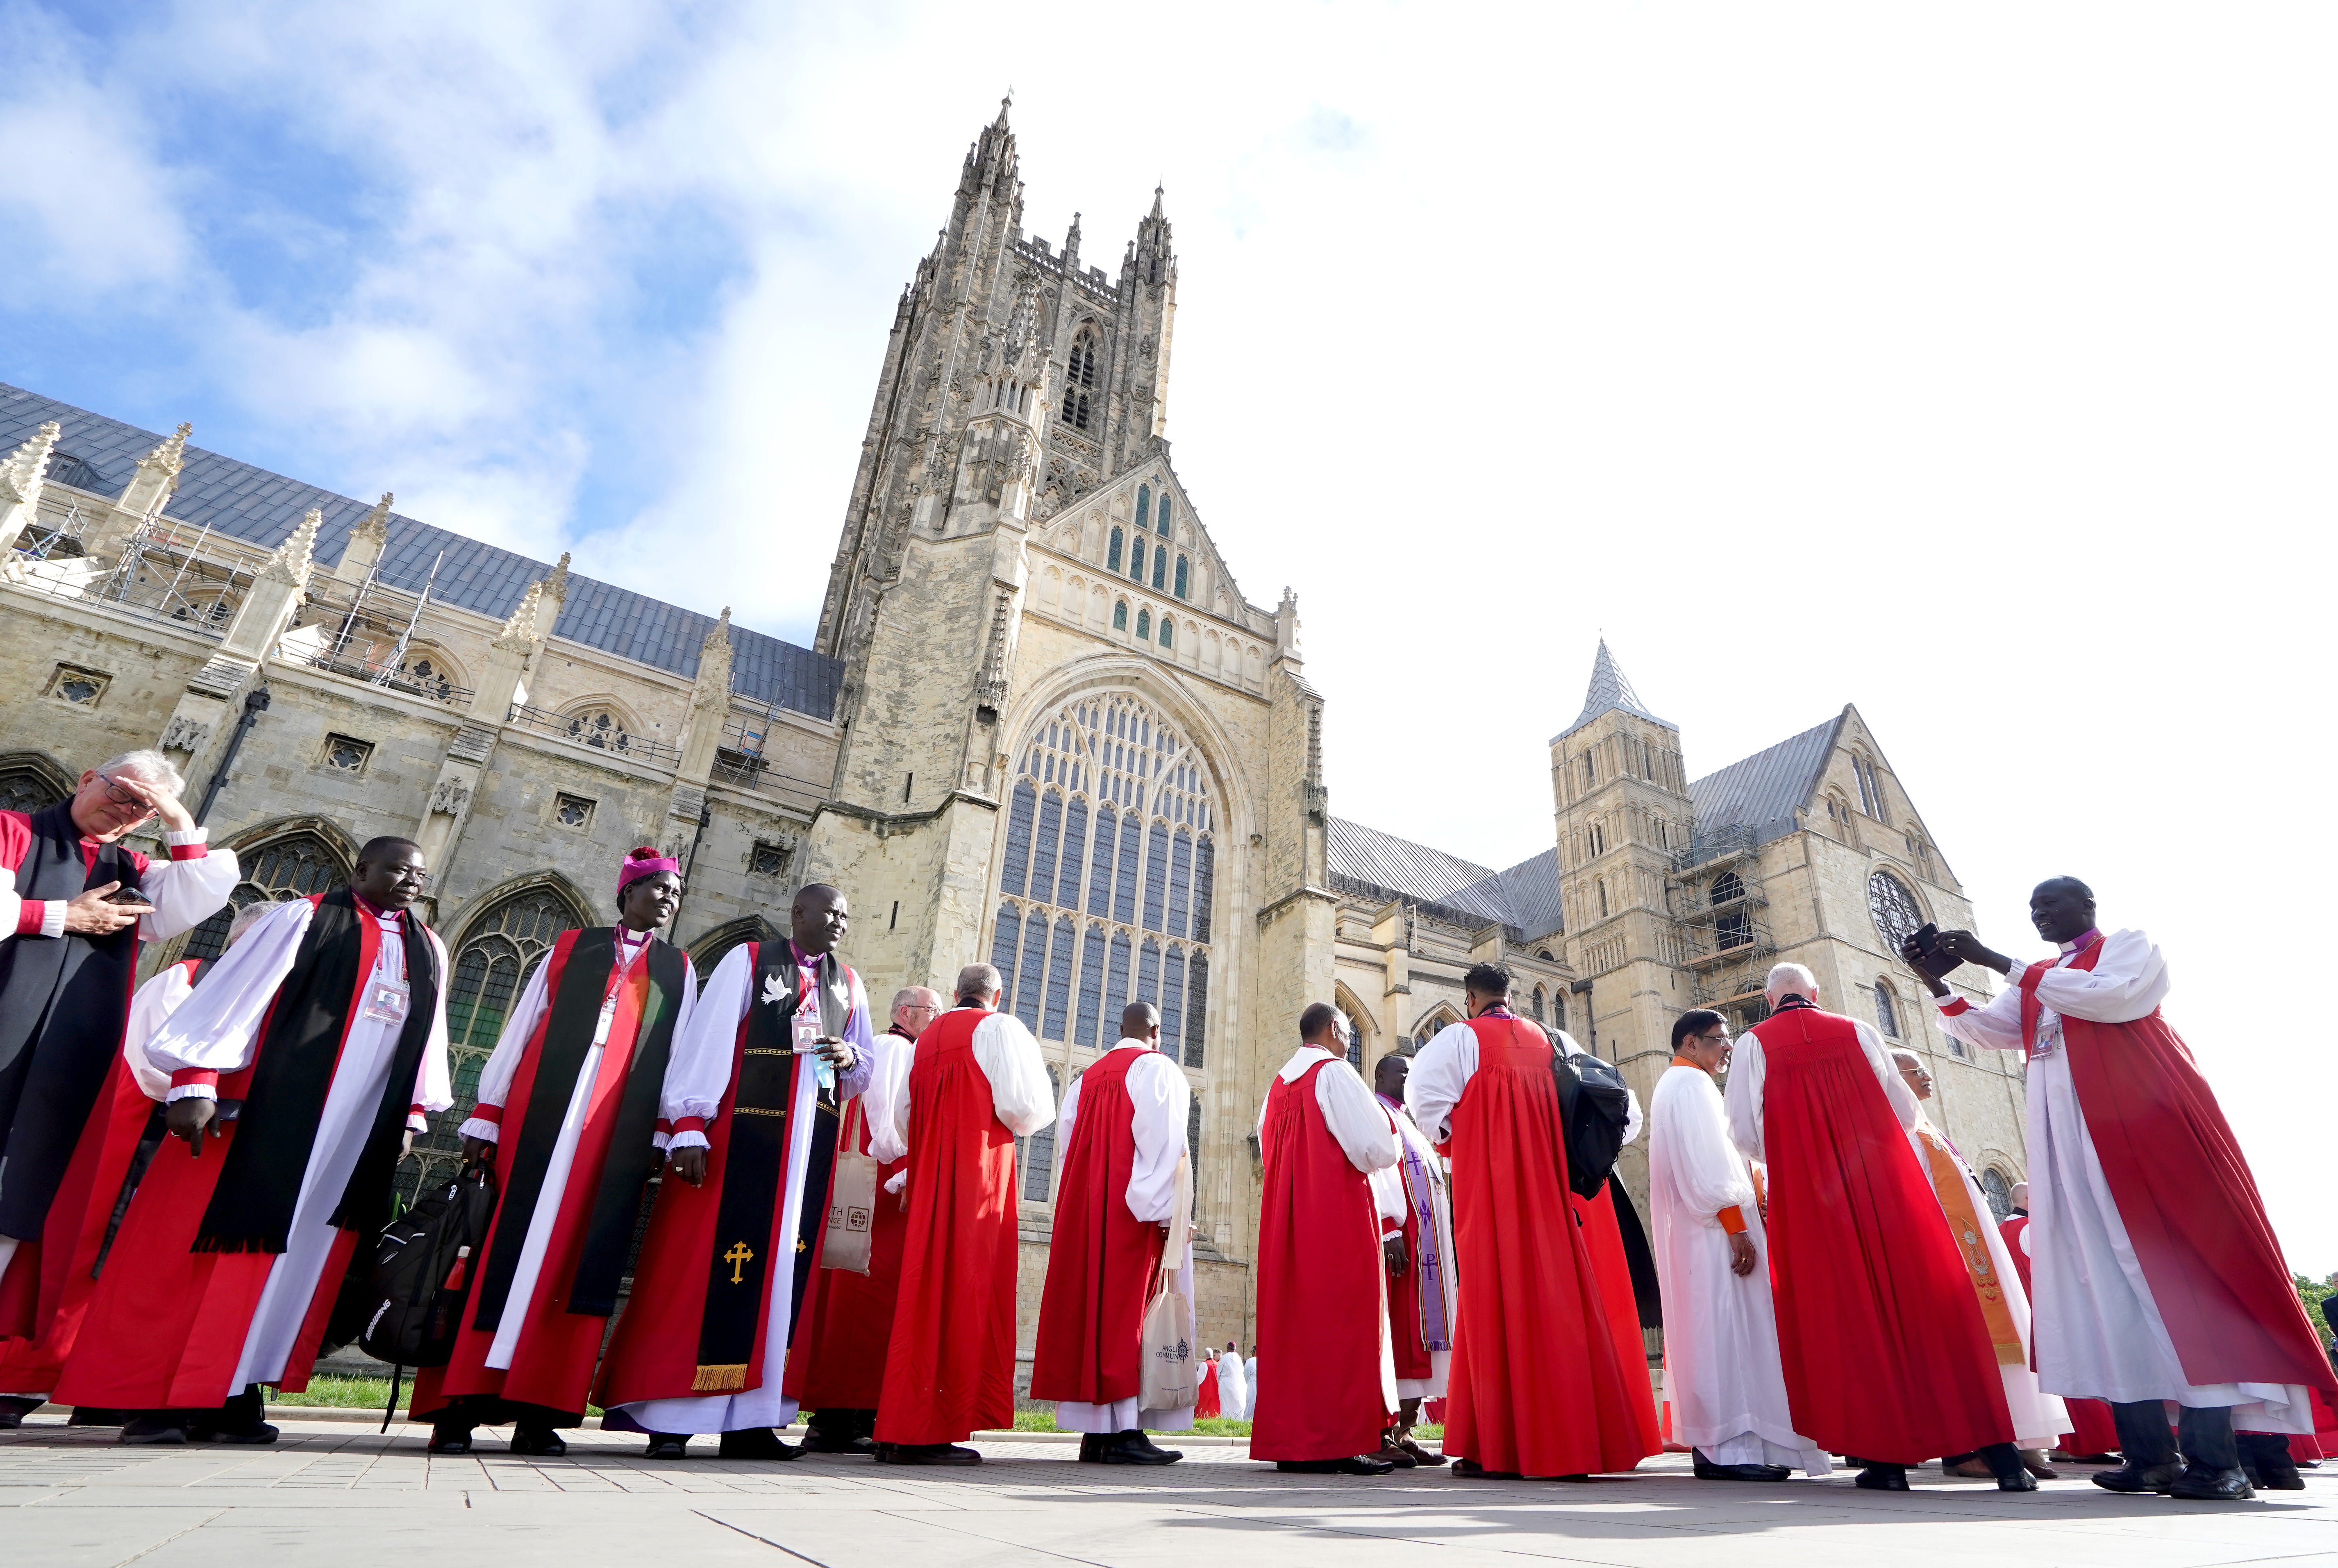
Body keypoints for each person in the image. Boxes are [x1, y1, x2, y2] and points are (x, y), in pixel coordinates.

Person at [1911, 880, 2337, 1501]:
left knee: (2176, 1288)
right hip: (2072, 1153)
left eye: (2050, 906)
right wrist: (1936, 982)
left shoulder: (2125, 948)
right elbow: (1984, 1032)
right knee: (2106, 1290)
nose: (2039, 916)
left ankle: (2218, 1462)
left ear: (2087, 907)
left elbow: (2109, 999)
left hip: (2137, 1137)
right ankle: (2149, 1458)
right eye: (2032, 910)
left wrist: (1997, 960)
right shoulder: (2041, 978)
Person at [55, 837, 451, 1445]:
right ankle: (155, 1398)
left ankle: (235, 1389)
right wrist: (194, 1079)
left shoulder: (428, 948)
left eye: (419, 874)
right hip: (263, 1114)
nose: (410, 881)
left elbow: (428, 1037)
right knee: (205, 1253)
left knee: (293, 1264)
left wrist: (413, 1112)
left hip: (350, 1133)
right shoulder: (305, 917)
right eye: (397, 868)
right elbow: (234, 992)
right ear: (361, 868)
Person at [409, 849, 698, 1456]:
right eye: (657, 889)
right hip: (533, 1121)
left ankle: (538, 1411)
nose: (667, 899)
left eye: (675, 892)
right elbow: (521, 1026)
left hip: (610, 1133)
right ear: (628, 894)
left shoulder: (679, 967)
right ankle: (457, 1405)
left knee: (574, 1258)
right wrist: (486, 1112)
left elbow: (677, 1053)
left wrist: (664, 1130)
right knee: (495, 1253)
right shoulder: (571, 948)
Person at [1723, 962, 2033, 1493]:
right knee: (1934, 1306)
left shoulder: (1754, 1043)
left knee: (1846, 1317)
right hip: (1886, 1185)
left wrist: (1794, 1145)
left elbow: (1745, 1134)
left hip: (1812, 1197)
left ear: (1770, 998)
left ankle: (1886, 1464)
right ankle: (2006, 1461)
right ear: (1815, 992)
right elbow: (1904, 1110)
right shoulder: (1859, 1030)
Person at [595, 883, 875, 1460]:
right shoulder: (747, 960)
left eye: (847, 914)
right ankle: (668, 1415)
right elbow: (708, 1038)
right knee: (697, 1268)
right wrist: (690, 1123)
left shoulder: (848, 983)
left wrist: (850, 1058)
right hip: (736, 1141)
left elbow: (861, 1064)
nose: (840, 922)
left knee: (778, 1284)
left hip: (805, 1153)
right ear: (798, 913)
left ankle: (751, 1419)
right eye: (831, 911)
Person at [0, 752, 238, 1425]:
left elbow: (206, 888)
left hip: (62, 1064)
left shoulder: (133, 872)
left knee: (13, 1209)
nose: (125, 810)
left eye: (141, 807)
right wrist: (59, 917)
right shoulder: (14, 833)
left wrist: (178, 817)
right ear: (84, 779)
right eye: (119, 792)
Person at [1409, 964, 1657, 1481]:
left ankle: (1493, 1447)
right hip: (1553, 1195)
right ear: (1512, 995)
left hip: (1492, 1191)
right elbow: (1624, 1111)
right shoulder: (1556, 1039)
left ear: (1471, 997)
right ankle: (1572, 1445)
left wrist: (1463, 1138)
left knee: (1491, 1302)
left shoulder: (1458, 1039)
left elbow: (1425, 1107)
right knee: (1561, 1303)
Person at [872, 963, 1053, 1464]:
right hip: (979, 1173)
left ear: (955, 994)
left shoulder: (924, 1040)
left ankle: (899, 1422)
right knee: (966, 1289)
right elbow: (1026, 1110)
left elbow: (905, 1116)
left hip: (931, 1174)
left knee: (923, 1290)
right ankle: (931, 1430)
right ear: (996, 995)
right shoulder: (999, 1028)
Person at [1646, 1010, 1828, 1481]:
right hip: (1713, 1235)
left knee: (1716, 1335)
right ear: (1689, 1042)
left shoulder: (1682, 1083)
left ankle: (1724, 1447)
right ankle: (1730, 1450)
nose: (1727, 1048)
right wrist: (1734, 1223)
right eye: (1718, 1040)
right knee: (1726, 1335)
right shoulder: (1688, 1086)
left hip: (1704, 1234)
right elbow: (1705, 1162)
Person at [1888, 1048, 2067, 1479]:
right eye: (1917, 1071)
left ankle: (2014, 1438)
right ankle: (1967, 1449)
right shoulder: (1898, 1132)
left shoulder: (1925, 1128)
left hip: (1978, 1252)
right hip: (1949, 1257)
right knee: (1965, 1347)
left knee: (1997, 1346)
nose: (1927, 1076)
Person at [1030, 1000, 1191, 1466]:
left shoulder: (1084, 1080)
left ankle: (1095, 1433)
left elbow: (1066, 1147)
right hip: (1132, 1215)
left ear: (1119, 1028)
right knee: (1127, 1317)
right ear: (1156, 1030)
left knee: (1092, 1314)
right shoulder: (1155, 1070)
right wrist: (1164, 1213)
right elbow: (1162, 1145)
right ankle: (1123, 1431)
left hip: (1085, 1211)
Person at [1251, 1003, 1401, 1475]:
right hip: (1335, 1215)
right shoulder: (1335, 1074)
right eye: (1348, 1031)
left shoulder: (1277, 1085)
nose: (1350, 1040)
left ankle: (1294, 1443)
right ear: (1334, 1030)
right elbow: (1379, 1147)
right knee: (1343, 1320)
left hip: (1286, 1220)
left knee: (1294, 1326)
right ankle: (1340, 1440)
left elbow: (1264, 1145)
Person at [786, 984, 937, 1456]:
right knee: (865, 1302)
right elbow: (889, 1119)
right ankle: (838, 1416)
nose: (938, 1019)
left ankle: (851, 1413)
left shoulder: (892, 1046)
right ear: (907, 1012)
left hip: (876, 1183)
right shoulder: (895, 1047)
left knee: (865, 1301)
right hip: (883, 1183)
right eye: (933, 1011)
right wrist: (910, 1165)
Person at [1370, 1051, 1454, 1466]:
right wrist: (1388, 1229)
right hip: (1400, 1247)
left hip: (1428, 1253)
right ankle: (1382, 1428)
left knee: (1420, 1339)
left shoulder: (1411, 1122)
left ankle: (1406, 1429)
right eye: (1402, 1072)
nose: (1408, 1079)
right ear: (1381, 1074)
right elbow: (1378, 1173)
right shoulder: (1376, 1113)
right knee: (1399, 1335)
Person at [1998, 1180, 2121, 1462]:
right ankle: (2086, 1444)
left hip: (2019, 1315)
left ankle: (2063, 1445)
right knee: (2076, 1371)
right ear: (2029, 1198)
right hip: (2049, 1313)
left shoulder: (2000, 1230)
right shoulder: (2030, 1229)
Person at [1218, 1339, 1248, 1422]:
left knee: (1226, 1404)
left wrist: (1219, 1382)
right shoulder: (1239, 1358)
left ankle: (1226, 1421)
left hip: (1226, 1385)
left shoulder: (1224, 1358)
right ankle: (1238, 1421)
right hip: (1237, 1385)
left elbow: (1219, 1372)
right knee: (1236, 1404)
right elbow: (1242, 1371)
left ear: (1228, 1348)